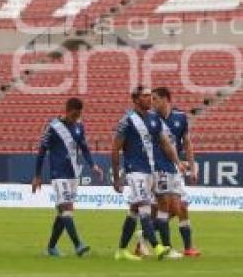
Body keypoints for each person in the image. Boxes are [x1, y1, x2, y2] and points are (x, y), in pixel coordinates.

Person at [111, 86, 184, 261]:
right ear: (135, 100)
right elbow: (115, 149)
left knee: (138, 209)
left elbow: (166, 143)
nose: (149, 99)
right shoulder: (127, 121)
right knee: (144, 207)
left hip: (152, 169)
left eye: (150, 96)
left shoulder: (154, 119)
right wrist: (116, 178)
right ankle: (157, 247)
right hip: (135, 170)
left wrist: (178, 162)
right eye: (145, 96)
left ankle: (121, 250)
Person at [31, 97, 103, 257]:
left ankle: (51, 247)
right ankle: (78, 245)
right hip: (59, 174)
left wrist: (93, 165)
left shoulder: (79, 126)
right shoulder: (53, 127)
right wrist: (37, 175)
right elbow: (42, 151)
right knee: (67, 209)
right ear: (68, 110)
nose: (77, 117)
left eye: (79, 115)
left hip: (73, 174)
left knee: (62, 213)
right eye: (74, 114)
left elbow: (84, 148)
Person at [151, 87, 200, 257]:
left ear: (166, 99)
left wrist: (192, 167)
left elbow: (186, 143)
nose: (152, 102)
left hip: (174, 168)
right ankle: (162, 245)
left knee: (182, 206)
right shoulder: (151, 119)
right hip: (159, 167)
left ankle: (188, 247)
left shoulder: (180, 117)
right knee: (165, 207)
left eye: (155, 99)